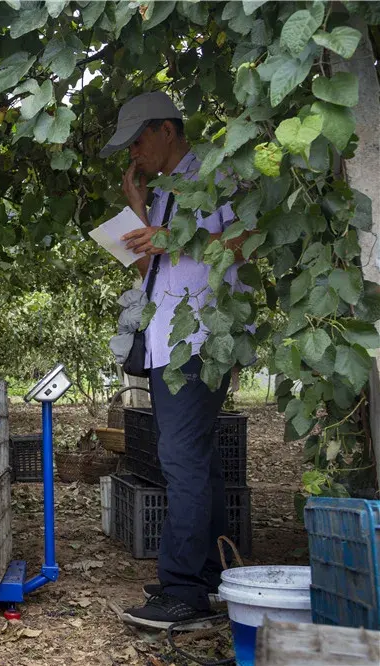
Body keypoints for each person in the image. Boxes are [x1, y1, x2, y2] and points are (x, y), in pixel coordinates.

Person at [100, 91, 249, 629]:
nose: (133, 152)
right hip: (170, 344)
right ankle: (206, 578)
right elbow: (155, 274)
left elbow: (246, 240)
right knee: (198, 460)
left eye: (137, 140)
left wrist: (172, 238)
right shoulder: (164, 193)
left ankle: (182, 590)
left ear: (167, 130)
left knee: (181, 460)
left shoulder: (215, 172)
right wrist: (140, 216)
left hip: (202, 341)